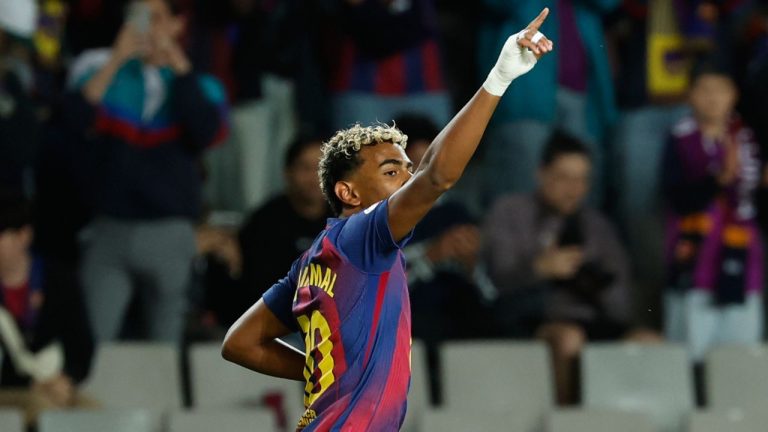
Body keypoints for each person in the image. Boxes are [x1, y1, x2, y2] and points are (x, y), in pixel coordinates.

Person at [222, 9, 553, 431]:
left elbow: (241, 342)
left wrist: (329, 376)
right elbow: (438, 175)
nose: (407, 180)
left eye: (406, 169)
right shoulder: (364, 235)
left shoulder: (313, 261)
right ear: (349, 193)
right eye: (392, 171)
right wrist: (498, 79)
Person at [65, 0, 229, 343]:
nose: (146, 28)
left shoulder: (203, 85)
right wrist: (116, 59)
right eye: (137, 18)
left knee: (164, 349)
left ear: (177, 25)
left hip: (169, 231)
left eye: (155, 18)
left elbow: (207, 134)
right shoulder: (100, 71)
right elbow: (71, 123)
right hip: (110, 227)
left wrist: (179, 69)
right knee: (92, 346)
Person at [482, 132, 655, 404]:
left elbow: (622, 294)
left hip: (592, 319)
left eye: (581, 180)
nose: (573, 189)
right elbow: (494, 280)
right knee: (569, 338)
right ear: (541, 174)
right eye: (564, 177)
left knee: (648, 342)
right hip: (531, 319)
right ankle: (565, 420)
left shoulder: (597, 225)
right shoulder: (509, 211)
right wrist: (539, 269)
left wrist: (590, 283)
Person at [662, 63, 764, 363]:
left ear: (734, 95)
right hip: (694, 257)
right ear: (690, 95)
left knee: (740, 357)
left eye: (720, 90)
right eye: (704, 90)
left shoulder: (749, 138)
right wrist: (718, 180)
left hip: (741, 256)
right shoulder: (679, 138)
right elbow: (675, 196)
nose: (713, 98)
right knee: (690, 355)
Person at [0, 191, 95, 425]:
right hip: (10, 389)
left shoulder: (58, 280)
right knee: (42, 409)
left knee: (98, 415)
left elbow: (81, 345)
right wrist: (33, 384)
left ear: (23, 235)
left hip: (54, 385)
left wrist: (66, 378)